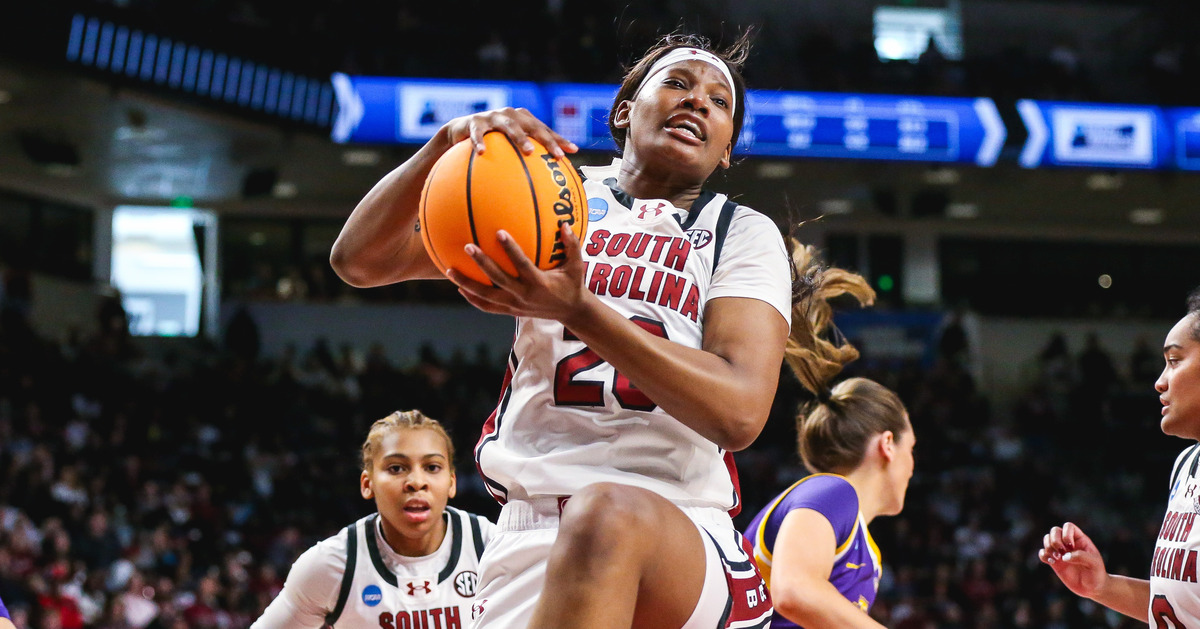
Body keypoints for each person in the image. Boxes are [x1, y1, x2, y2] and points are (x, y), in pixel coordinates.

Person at [332, 31, 796, 629]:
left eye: (719, 101)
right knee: (596, 518)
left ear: (728, 148)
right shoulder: (552, 195)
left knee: (605, 512)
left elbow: (739, 414)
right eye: (677, 83)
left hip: (679, 526)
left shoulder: (741, 231)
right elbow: (361, 261)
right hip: (530, 531)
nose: (697, 102)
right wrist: (445, 146)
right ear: (625, 111)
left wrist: (581, 312)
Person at [744, 253, 916, 629]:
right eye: (912, 449)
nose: (912, 466)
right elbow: (794, 590)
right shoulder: (832, 492)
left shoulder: (867, 550)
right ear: (888, 444)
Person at [1040, 287, 1200, 626]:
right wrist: (1102, 586)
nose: (1160, 382)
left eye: (1174, 361)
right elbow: (1178, 608)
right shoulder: (1186, 465)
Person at [251, 410, 495, 628]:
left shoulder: (491, 546)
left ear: (451, 483)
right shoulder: (333, 564)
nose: (416, 482)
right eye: (396, 468)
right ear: (368, 484)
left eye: (432, 467)